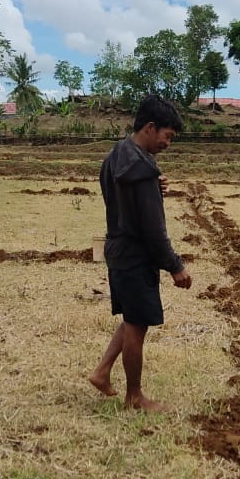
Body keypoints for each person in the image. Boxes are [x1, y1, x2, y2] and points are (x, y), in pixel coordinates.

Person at [88, 95, 192, 412]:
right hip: (135, 254)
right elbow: (154, 229)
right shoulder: (143, 170)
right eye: (167, 136)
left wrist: (151, 184)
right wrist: (175, 266)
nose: (168, 143)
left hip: (116, 247)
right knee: (137, 325)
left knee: (133, 318)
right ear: (150, 127)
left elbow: (120, 194)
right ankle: (134, 397)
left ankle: (102, 372)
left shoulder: (117, 156)